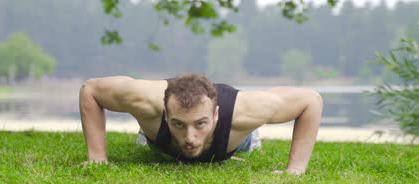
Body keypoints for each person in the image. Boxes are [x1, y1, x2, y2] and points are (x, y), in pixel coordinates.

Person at [79, 73, 323, 175]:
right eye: (178, 124)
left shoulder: (245, 110)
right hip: (158, 134)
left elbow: (311, 101)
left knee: (247, 140)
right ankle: (152, 133)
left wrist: (295, 171)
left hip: (234, 138)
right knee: (149, 135)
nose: (190, 137)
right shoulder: (146, 101)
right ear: (166, 114)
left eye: (200, 124)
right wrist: (97, 157)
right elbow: (90, 89)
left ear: (215, 115)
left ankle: (249, 137)